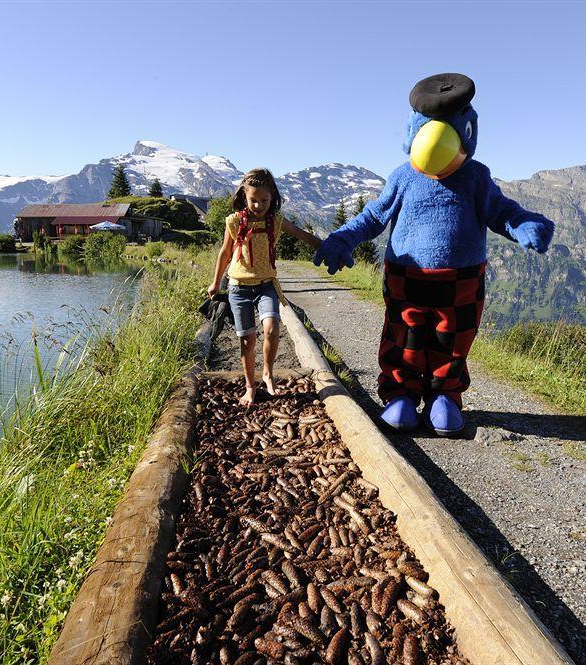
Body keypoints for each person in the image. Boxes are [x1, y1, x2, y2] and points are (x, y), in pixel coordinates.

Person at [314, 73, 555, 435]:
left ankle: (444, 397)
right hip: (405, 278)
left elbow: (500, 210)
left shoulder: (475, 177)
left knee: (452, 340)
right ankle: (401, 395)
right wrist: (343, 238)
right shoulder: (404, 176)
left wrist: (523, 223)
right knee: (404, 336)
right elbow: (374, 215)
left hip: (460, 281)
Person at [209, 168, 321, 406]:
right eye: (254, 200)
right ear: (244, 196)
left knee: (271, 328)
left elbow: (303, 235)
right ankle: (250, 386)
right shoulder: (234, 221)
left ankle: (268, 373)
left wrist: (329, 248)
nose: (259, 205)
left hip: (266, 286)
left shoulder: (276, 221)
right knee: (248, 339)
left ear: (273, 198)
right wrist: (215, 282)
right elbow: (225, 253)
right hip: (239, 288)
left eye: (265, 200)